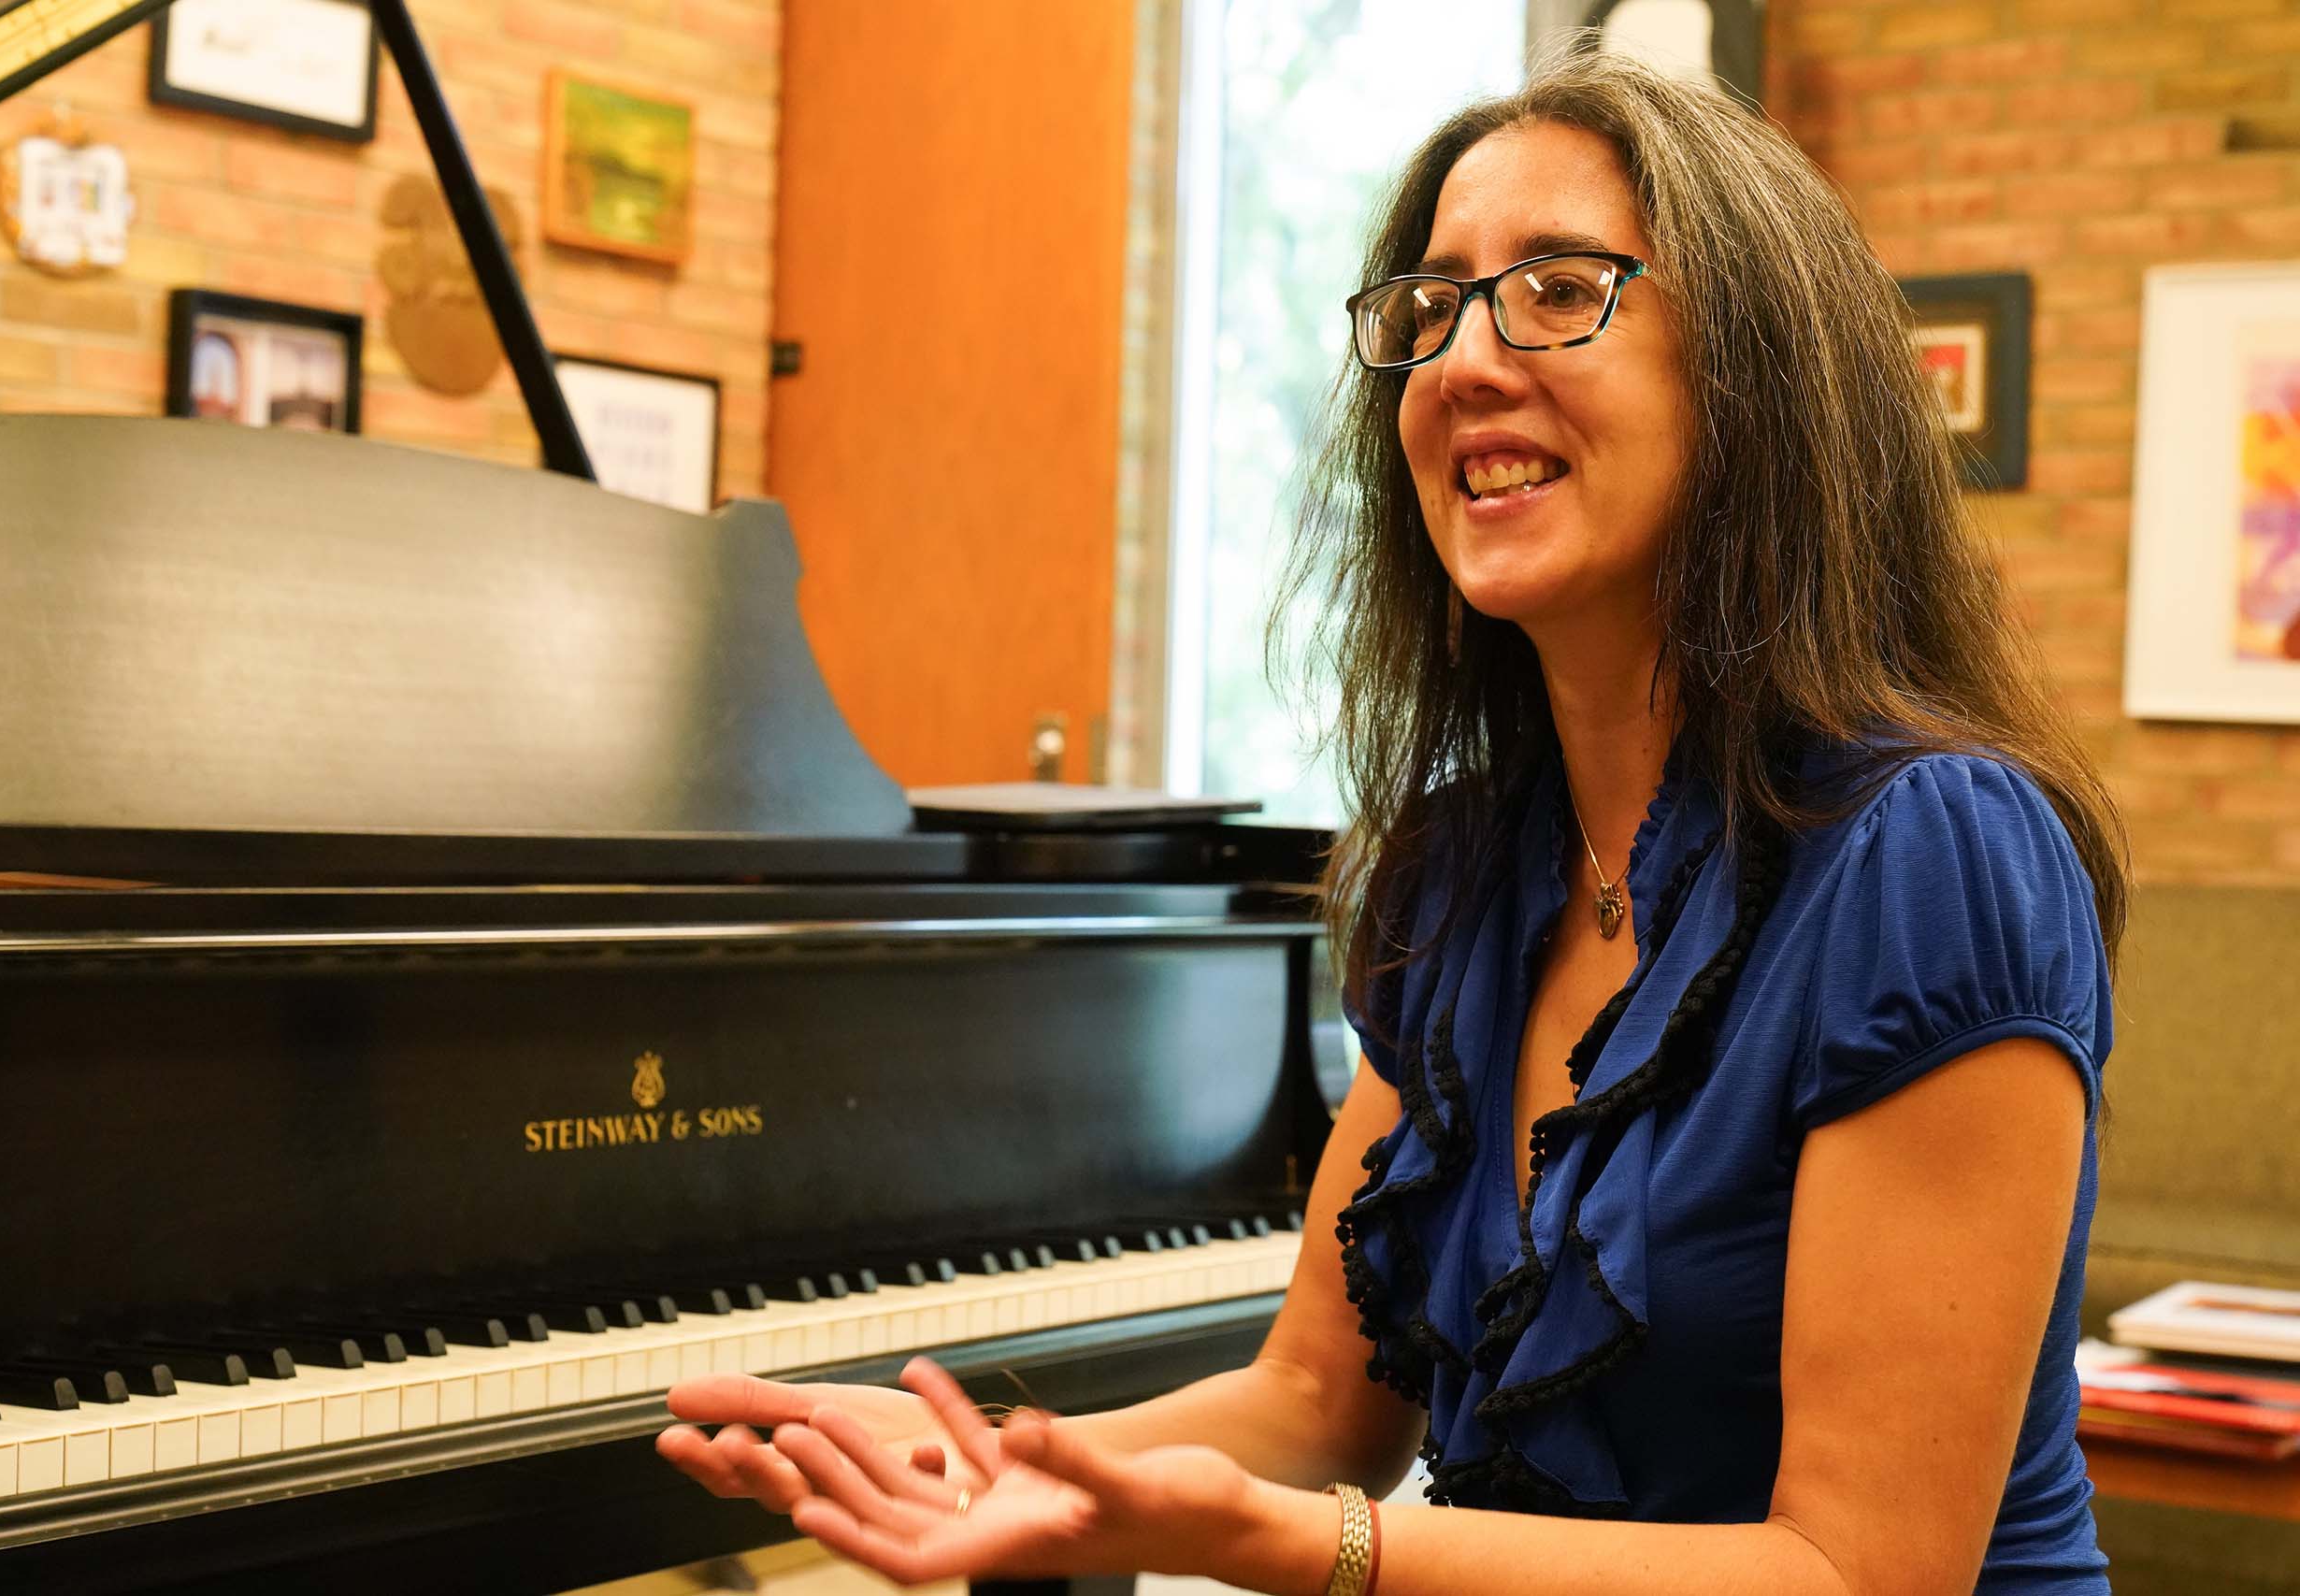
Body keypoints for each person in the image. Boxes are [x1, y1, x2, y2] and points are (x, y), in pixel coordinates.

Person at [656, 44, 2128, 1596]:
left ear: (1758, 372)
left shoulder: (1937, 849)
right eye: (1429, 308)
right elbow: (1310, 1403)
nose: (1464, 362)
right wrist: (1002, 1460)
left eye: (1559, 288)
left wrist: (1313, 1550)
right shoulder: (1465, 869)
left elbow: (1857, 1571)